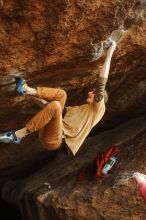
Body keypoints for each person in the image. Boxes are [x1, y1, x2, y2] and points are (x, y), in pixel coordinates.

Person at [0, 41, 117, 155]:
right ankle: (26, 89)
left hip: (55, 141)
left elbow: (101, 82)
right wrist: (29, 94)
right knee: (62, 95)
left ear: (99, 98)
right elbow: (48, 107)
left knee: (56, 105)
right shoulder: (78, 110)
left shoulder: (98, 110)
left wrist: (110, 52)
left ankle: (17, 135)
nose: (90, 92)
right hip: (50, 131)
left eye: (93, 92)